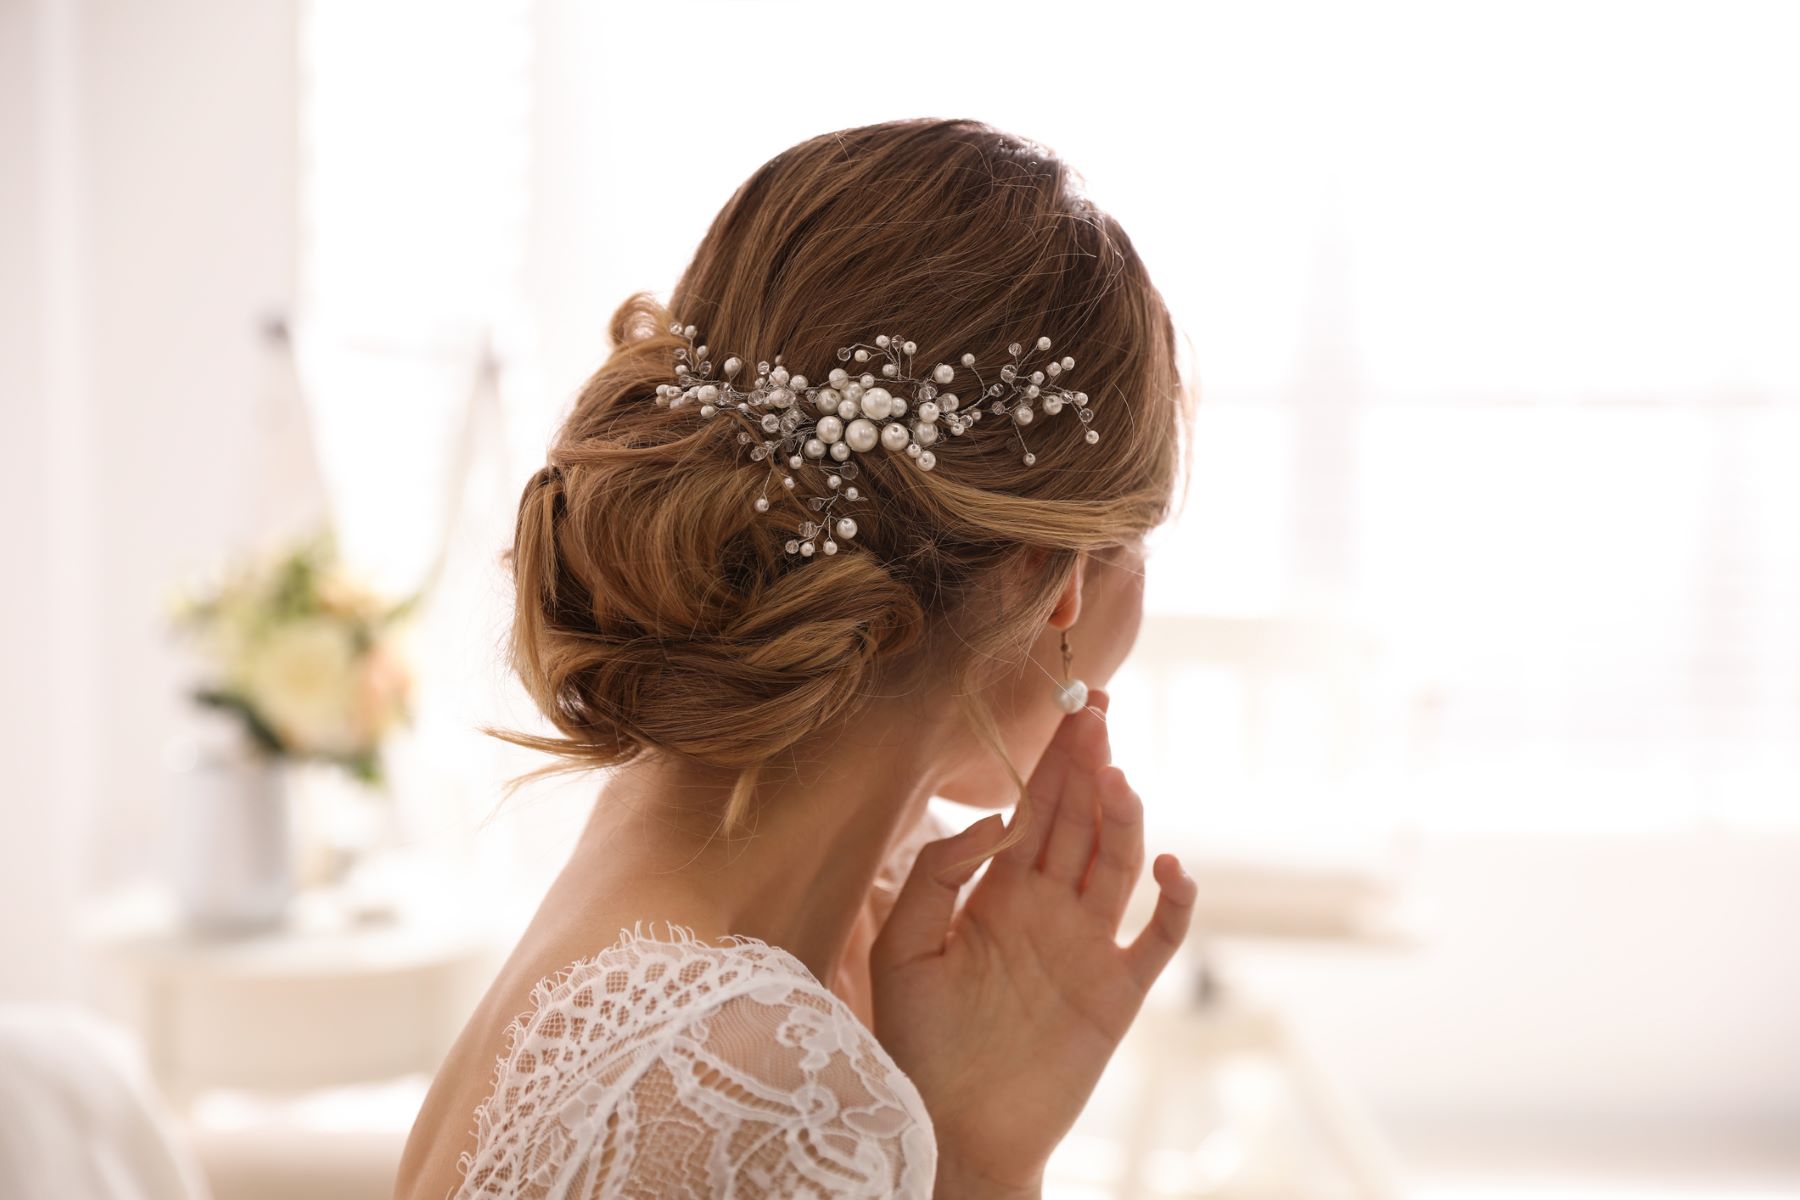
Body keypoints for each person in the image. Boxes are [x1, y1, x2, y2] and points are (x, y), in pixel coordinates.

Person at [395, 116, 1199, 1200]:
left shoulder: (654, 959)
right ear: (1052, 574)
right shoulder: (760, 1086)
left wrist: (970, 1145)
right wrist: (967, 1165)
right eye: (1138, 542)